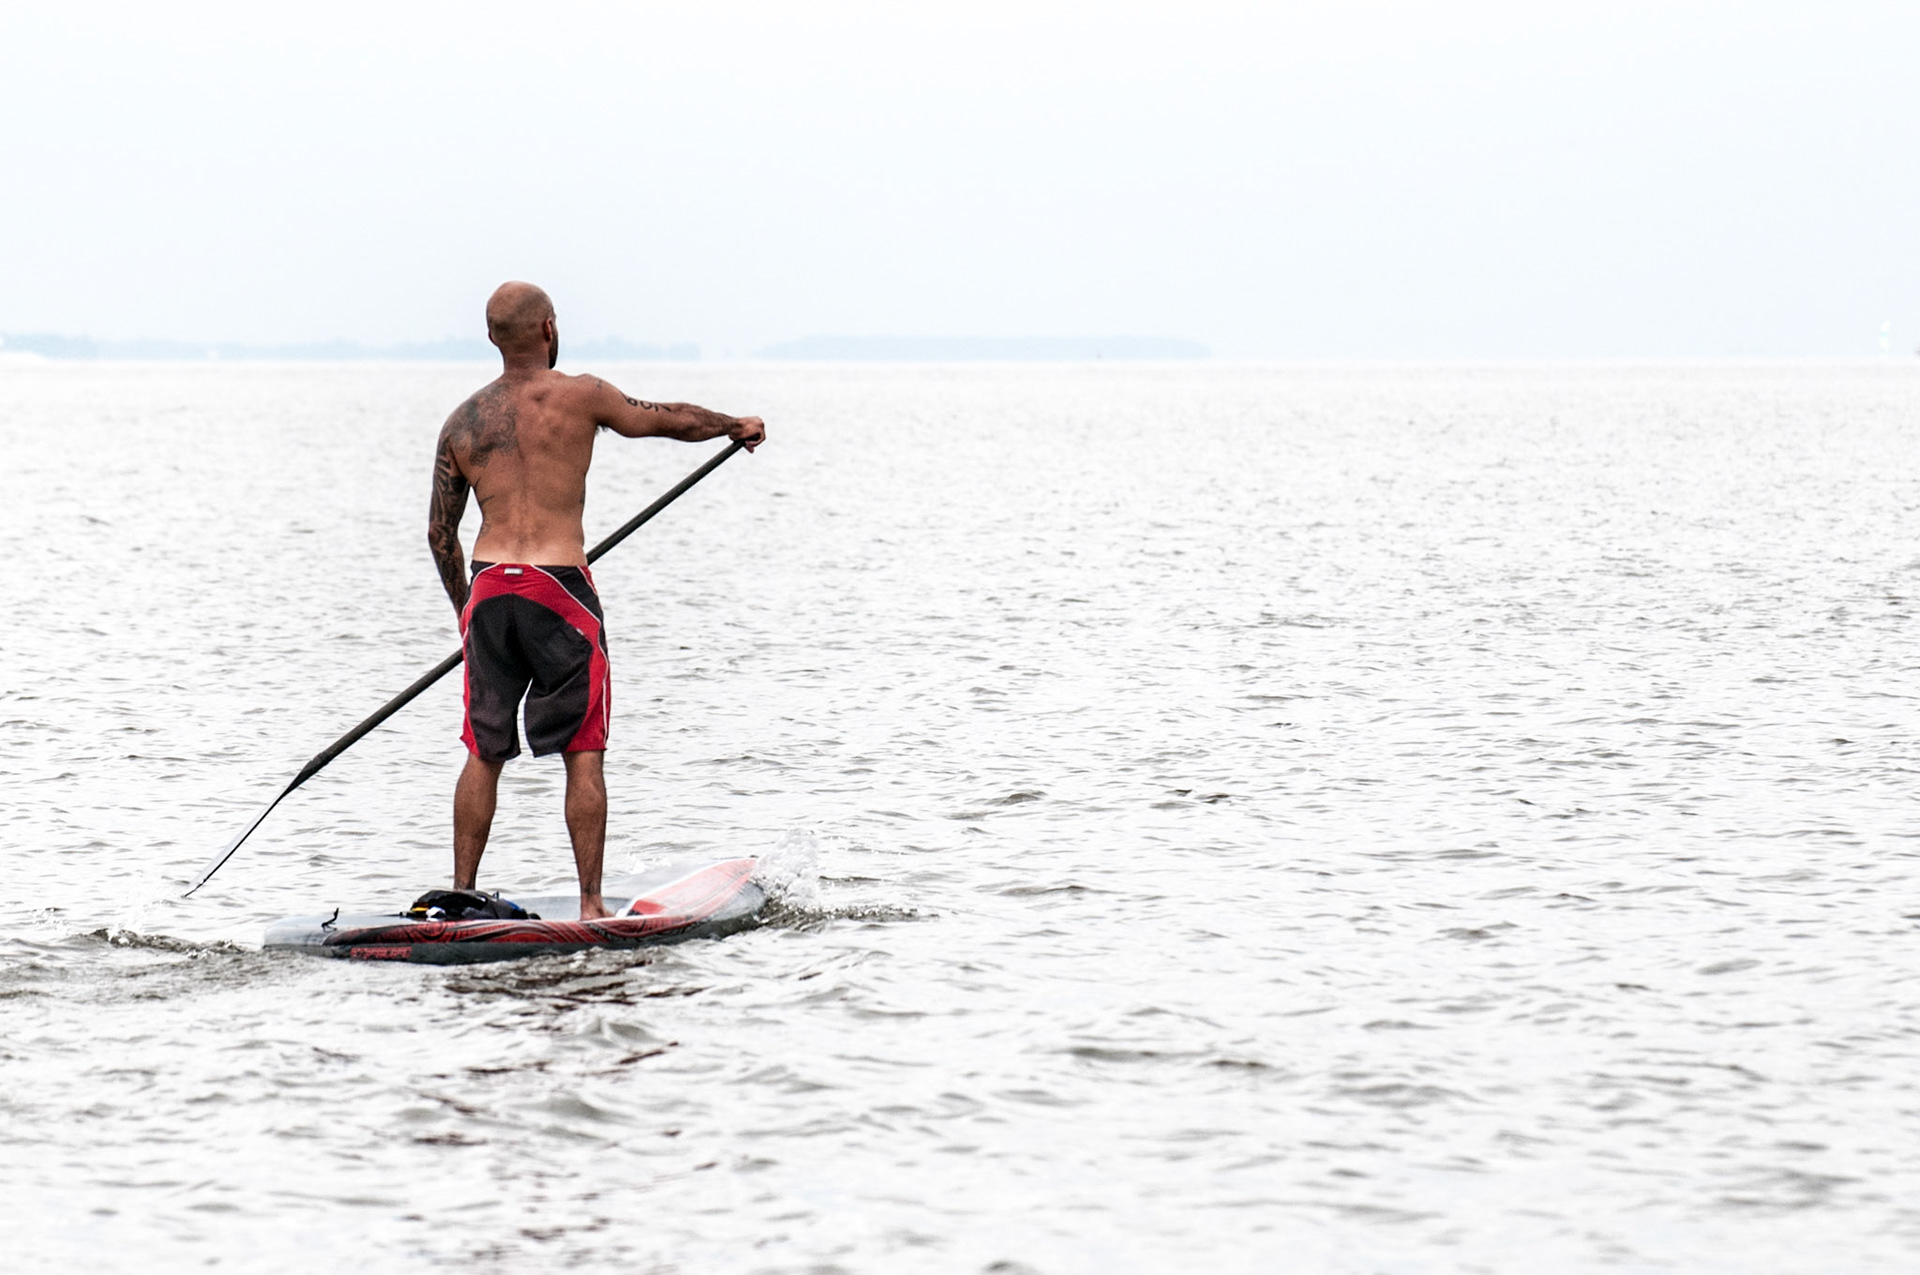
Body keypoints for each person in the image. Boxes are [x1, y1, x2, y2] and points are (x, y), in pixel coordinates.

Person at [426, 282, 765, 919]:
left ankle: (461, 895)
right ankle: (589, 906)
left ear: (493, 338)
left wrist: (465, 616)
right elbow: (665, 420)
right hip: (559, 590)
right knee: (583, 749)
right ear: (549, 328)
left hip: (491, 589)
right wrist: (734, 426)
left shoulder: (463, 422)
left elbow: (439, 534)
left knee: (482, 749)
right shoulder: (583, 395)